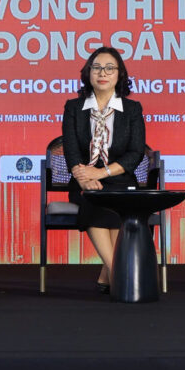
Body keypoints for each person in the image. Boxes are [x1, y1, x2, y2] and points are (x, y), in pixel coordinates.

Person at [61, 46, 145, 294]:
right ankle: (121, 275)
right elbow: (71, 150)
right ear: (88, 73)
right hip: (84, 180)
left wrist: (101, 173)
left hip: (119, 177)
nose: (102, 73)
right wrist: (83, 178)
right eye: (96, 67)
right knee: (94, 199)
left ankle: (110, 274)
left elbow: (135, 153)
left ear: (120, 74)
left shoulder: (132, 109)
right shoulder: (73, 107)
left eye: (110, 68)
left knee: (117, 202)